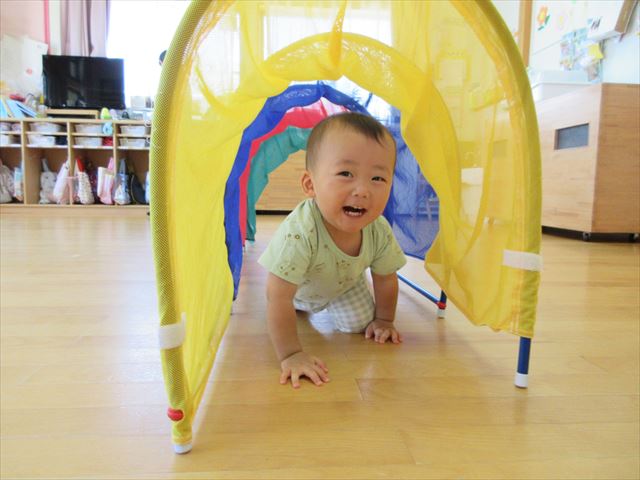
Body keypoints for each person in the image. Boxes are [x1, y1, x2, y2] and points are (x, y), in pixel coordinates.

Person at [258, 112, 407, 389]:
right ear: (310, 185)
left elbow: (386, 277)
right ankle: (298, 314)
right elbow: (277, 296)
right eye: (345, 174)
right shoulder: (300, 232)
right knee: (282, 309)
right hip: (296, 290)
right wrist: (291, 354)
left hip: (344, 285)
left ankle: (351, 308)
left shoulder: (378, 229)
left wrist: (385, 320)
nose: (362, 190)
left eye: (377, 178)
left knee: (360, 325)